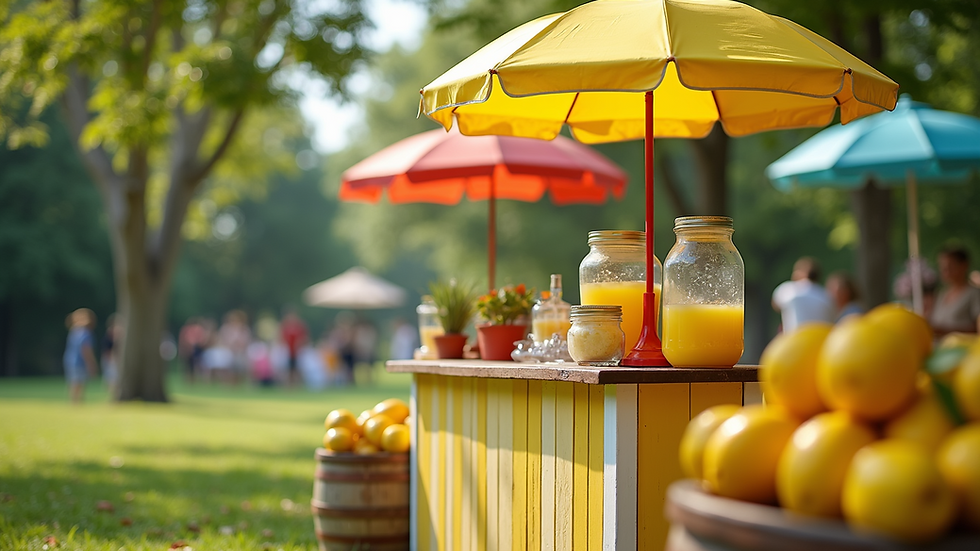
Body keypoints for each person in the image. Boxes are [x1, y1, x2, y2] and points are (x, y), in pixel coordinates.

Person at [772, 257, 835, 333]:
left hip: (794, 339)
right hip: (821, 341)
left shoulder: (787, 289)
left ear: (799, 273)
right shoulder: (827, 296)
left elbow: (775, 304)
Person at [930, 246, 980, 337]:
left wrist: (945, 331)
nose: (945, 270)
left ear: (964, 265)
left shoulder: (974, 294)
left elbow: (976, 329)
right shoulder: (942, 294)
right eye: (942, 266)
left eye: (950, 266)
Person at [63, 308, 99, 404]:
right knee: (80, 383)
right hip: (80, 362)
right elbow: (86, 350)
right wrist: (91, 364)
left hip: (70, 361)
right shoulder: (86, 333)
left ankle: (74, 402)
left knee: (74, 383)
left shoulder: (73, 331)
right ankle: (77, 403)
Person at [279, 308, 308, 387]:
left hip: (297, 352)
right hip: (288, 351)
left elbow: (304, 338)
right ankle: (288, 385)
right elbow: (281, 338)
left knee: (297, 369)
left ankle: (297, 385)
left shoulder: (300, 326)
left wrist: (299, 344)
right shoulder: (285, 326)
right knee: (288, 369)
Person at [101, 313, 123, 399]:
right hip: (110, 360)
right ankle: (112, 397)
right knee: (111, 379)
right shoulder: (108, 337)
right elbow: (107, 351)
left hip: (117, 360)